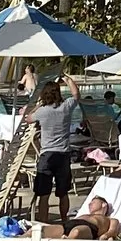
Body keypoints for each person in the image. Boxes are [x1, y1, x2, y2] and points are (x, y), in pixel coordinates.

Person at [26, 78, 77, 228]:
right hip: (63, 154)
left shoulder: (42, 112)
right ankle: (64, 220)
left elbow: (28, 118)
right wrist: (68, 80)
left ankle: (43, 224)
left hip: (47, 155)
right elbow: (76, 95)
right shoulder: (66, 107)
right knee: (63, 192)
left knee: (44, 194)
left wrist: (37, 106)